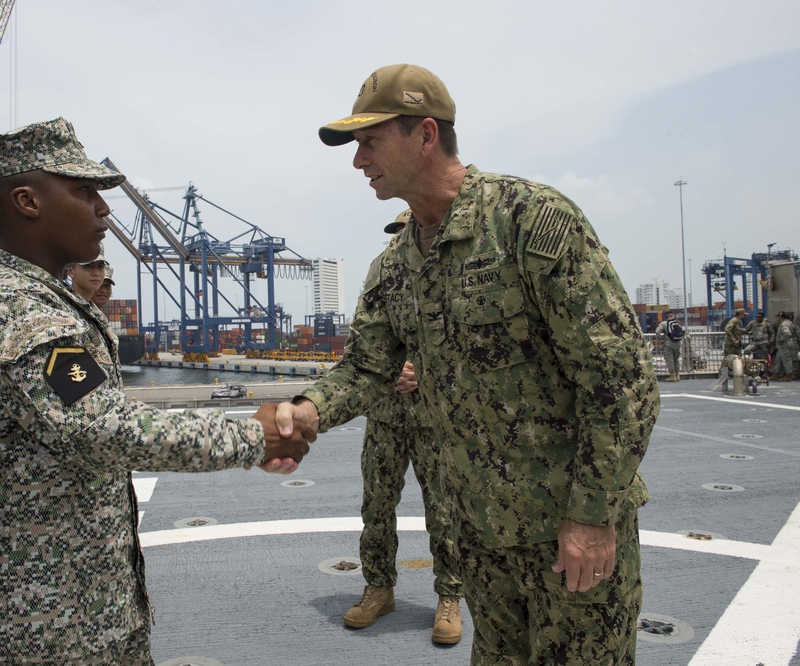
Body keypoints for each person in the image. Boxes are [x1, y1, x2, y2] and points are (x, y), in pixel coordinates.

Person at [279, 64, 659, 664]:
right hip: (480, 536)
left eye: (370, 141)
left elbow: (622, 383)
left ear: (426, 135)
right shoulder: (394, 267)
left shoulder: (528, 221)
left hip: (568, 532)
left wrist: (592, 517)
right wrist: (304, 410)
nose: (358, 160)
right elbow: (366, 369)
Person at [0, 117, 310, 664]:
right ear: (26, 201)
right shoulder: (16, 308)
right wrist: (252, 436)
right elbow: (98, 421)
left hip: (85, 610)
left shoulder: (47, 304)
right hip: (40, 629)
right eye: (84, 192)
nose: (104, 209)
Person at [345, 355, 463, 644]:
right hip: (384, 416)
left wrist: (427, 372)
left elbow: (466, 344)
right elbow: (358, 351)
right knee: (376, 508)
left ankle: (449, 596)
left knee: (443, 511)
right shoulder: (375, 306)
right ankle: (379, 587)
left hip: (434, 415)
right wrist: (388, 372)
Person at [773, 311, 800, 381]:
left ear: (780, 317)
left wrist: (781, 340)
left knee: (787, 360)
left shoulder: (784, 324)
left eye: (778, 317)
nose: (777, 319)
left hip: (785, 345)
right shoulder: (789, 323)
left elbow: (787, 333)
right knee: (779, 359)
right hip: (784, 346)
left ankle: (788, 375)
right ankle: (776, 373)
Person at [654, 311, 684, 382]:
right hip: (678, 343)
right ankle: (677, 375)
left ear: (666, 316)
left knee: (669, 360)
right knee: (676, 360)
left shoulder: (664, 323)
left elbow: (657, 331)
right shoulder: (677, 322)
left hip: (668, 344)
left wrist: (659, 340)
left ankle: (672, 376)